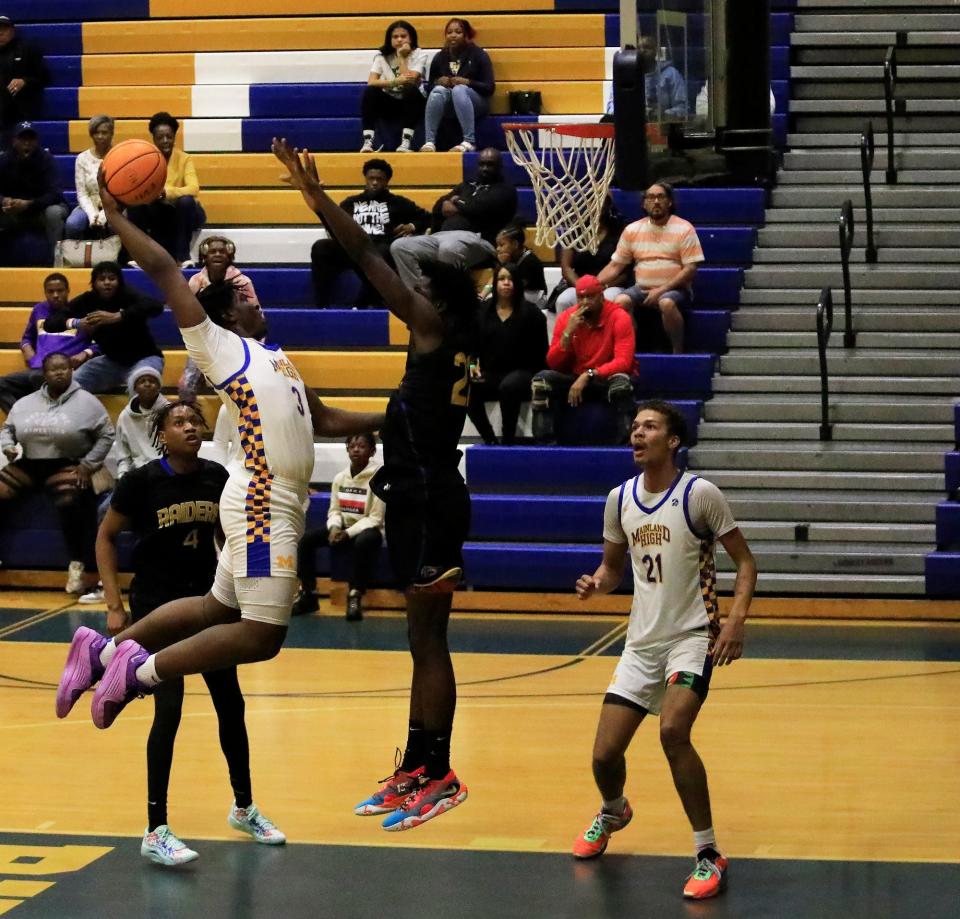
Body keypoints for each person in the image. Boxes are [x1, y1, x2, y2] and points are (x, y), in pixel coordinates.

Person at [55, 166, 383, 731]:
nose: (258, 302)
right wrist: (115, 215)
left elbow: (324, 417)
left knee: (217, 610)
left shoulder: (278, 357)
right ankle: (137, 675)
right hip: (262, 497)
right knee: (261, 636)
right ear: (229, 314)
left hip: (271, 498)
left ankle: (103, 654)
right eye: (249, 300)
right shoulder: (221, 347)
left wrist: (393, 416)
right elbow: (160, 267)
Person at [276, 138, 476, 831]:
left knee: (431, 637)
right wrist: (279, 385)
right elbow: (347, 417)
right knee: (419, 640)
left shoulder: (432, 326)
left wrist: (317, 199)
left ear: (433, 299)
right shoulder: (434, 355)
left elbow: (367, 257)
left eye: (419, 284)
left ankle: (442, 770)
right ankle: (418, 764)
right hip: (418, 498)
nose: (409, 289)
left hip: (433, 501)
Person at [571, 400, 756, 901]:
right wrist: (596, 582)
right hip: (641, 643)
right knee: (604, 755)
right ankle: (614, 810)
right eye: (634, 428)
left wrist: (734, 622)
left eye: (649, 427)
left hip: (692, 638)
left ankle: (708, 852)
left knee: (673, 731)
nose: (637, 434)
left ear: (673, 441)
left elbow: (745, 564)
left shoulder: (700, 495)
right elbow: (613, 570)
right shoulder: (620, 498)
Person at [97, 401, 285, 866]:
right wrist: (115, 606)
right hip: (157, 608)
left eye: (195, 421)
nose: (190, 428)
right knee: (169, 713)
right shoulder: (141, 481)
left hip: (207, 607)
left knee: (231, 706)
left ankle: (244, 807)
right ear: (161, 432)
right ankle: (155, 827)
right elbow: (105, 538)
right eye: (179, 422)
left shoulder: (218, 477)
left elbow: (232, 534)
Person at [0, 352, 113, 593]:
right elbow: (8, 429)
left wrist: (88, 464)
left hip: (68, 463)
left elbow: (106, 435)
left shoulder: (88, 402)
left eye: (65, 367)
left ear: (72, 371)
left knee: (69, 501)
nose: (60, 372)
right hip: (30, 462)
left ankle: (77, 565)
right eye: (54, 369)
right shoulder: (25, 402)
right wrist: (7, 446)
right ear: (44, 374)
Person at [597, 182, 704, 355]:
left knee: (666, 302)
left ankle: (678, 351)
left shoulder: (685, 228)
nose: (656, 201)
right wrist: (592, 284)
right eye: (651, 197)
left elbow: (690, 269)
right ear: (644, 203)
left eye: (660, 197)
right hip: (641, 288)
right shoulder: (632, 230)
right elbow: (615, 265)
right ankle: (629, 351)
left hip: (676, 288)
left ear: (669, 202)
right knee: (620, 302)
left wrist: (661, 290)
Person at [390, 147, 516, 290]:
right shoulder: (467, 185)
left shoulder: (505, 190)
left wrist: (456, 201)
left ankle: (445, 300)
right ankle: (420, 298)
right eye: (482, 164)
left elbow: (479, 208)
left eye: (490, 164)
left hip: (478, 241)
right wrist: (464, 205)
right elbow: (439, 206)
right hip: (441, 237)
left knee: (448, 249)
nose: (485, 168)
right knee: (400, 246)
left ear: (500, 166)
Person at [310, 158, 429, 308]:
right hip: (351, 248)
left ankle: (360, 305)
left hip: (378, 251)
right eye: (371, 178)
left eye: (379, 179)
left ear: (387, 181)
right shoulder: (350, 202)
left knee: (384, 251)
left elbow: (428, 218)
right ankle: (321, 305)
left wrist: (411, 226)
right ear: (365, 179)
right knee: (321, 247)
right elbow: (334, 223)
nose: (374, 183)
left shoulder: (398, 203)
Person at [531, 275, 636, 445]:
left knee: (621, 386)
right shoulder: (567, 318)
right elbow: (553, 364)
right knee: (541, 381)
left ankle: (626, 446)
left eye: (590, 297)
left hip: (606, 378)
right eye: (581, 297)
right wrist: (567, 333)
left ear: (601, 297)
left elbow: (624, 362)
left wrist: (589, 374)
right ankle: (545, 446)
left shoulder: (619, 316)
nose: (585, 301)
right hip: (576, 377)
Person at [293, 433, 385, 621]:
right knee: (306, 540)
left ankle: (355, 595)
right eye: (352, 446)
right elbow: (334, 510)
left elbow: (375, 519)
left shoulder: (379, 479)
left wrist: (348, 533)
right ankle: (309, 594)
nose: (356, 449)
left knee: (363, 541)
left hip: (370, 531)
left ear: (372, 451)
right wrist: (334, 528)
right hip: (343, 527)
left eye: (361, 446)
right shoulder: (340, 478)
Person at [42, 261, 165, 394]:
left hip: (145, 357)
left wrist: (118, 316)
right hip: (112, 361)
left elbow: (156, 306)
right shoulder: (87, 300)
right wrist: (76, 323)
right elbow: (49, 323)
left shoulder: (128, 295)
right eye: (101, 279)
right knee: (70, 386)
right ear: (94, 283)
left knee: (143, 385)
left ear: (119, 281)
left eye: (112, 279)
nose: (107, 283)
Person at [467, 263, 547, 445]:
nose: (506, 283)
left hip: (525, 372)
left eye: (510, 279)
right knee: (467, 388)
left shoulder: (532, 313)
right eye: (502, 279)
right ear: (495, 283)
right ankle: (490, 440)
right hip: (492, 373)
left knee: (509, 386)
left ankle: (508, 440)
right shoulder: (482, 312)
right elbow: (472, 347)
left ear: (517, 283)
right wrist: (472, 367)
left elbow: (542, 353)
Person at [0, 273, 99, 413]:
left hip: (64, 372)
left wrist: (85, 353)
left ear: (68, 291)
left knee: (36, 378)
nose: (56, 295)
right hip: (38, 368)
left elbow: (100, 344)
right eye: (51, 291)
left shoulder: (81, 311)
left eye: (60, 291)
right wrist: (28, 350)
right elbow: (27, 338)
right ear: (45, 292)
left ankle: (43, 421)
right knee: (2, 384)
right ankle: (21, 420)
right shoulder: (39, 310)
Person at [180, 235, 259, 399]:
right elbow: (187, 315)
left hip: (236, 342)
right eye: (213, 251)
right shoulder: (195, 281)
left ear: (229, 256)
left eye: (222, 251)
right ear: (204, 257)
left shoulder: (243, 282)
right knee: (186, 385)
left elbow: (255, 315)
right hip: (204, 341)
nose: (217, 254)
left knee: (243, 387)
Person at [127, 112, 206, 267]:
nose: (165, 141)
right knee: (134, 205)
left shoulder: (185, 158)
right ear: (153, 138)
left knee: (186, 201)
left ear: (174, 137)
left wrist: (167, 192)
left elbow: (193, 188)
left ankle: (182, 257)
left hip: (183, 211)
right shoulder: (145, 160)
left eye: (169, 137)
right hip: (159, 211)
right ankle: (140, 256)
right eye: (160, 137)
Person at [420, 18, 494, 153]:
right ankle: (429, 142)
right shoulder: (440, 57)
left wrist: (468, 82)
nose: (453, 35)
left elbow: (489, 88)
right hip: (450, 105)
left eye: (458, 32)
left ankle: (469, 141)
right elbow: (428, 88)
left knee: (459, 90)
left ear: (466, 35)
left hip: (477, 103)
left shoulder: (479, 55)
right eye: (449, 32)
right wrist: (438, 82)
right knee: (438, 91)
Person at [0, 122, 67, 264]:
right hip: (12, 212)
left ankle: (57, 261)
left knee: (54, 213)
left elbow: (55, 194)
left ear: (36, 142)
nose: (27, 143)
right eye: (22, 139)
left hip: (39, 211)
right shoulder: (3, 160)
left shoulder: (46, 160)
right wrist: (3, 200)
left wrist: (29, 204)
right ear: (14, 141)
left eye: (30, 139)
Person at [361, 20, 430, 154]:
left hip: (414, 102)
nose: (399, 40)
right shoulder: (381, 57)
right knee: (370, 92)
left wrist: (400, 57)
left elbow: (409, 80)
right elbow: (371, 82)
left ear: (411, 38)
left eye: (403, 36)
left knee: (410, 90)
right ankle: (368, 142)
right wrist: (395, 82)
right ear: (389, 39)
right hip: (391, 102)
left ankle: (406, 142)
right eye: (395, 37)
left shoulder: (420, 54)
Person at [555, 196, 626, 312]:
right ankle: (566, 330)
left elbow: (625, 272)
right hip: (579, 284)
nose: (595, 207)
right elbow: (566, 268)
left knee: (608, 297)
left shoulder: (619, 231)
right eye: (591, 203)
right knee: (564, 300)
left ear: (608, 207)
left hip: (610, 285)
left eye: (600, 203)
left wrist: (603, 287)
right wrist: (583, 288)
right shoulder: (575, 232)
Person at [64, 115, 114, 240]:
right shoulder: (82, 158)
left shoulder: (119, 157)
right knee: (72, 225)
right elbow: (82, 193)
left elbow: (120, 194)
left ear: (112, 134)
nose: (100, 136)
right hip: (88, 205)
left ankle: (119, 259)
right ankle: (76, 258)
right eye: (96, 132)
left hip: (114, 206)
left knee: (116, 225)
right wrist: (92, 215)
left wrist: (103, 216)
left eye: (104, 132)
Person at [114, 367, 169, 479]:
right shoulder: (125, 416)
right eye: (142, 381)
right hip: (138, 476)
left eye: (152, 381)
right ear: (135, 388)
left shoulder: (171, 412)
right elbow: (123, 456)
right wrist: (122, 475)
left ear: (159, 387)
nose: (147, 384)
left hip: (167, 473)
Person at [0, 16, 47, 134]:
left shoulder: (27, 49)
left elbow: (44, 76)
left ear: (12, 31)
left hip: (19, 112)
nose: (0, 32)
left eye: (4, 29)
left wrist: (25, 81)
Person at [491, 224, 546, 305]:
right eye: (497, 245)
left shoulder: (530, 261)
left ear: (515, 244)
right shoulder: (509, 258)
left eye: (501, 245)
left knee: (502, 297)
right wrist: (482, 295)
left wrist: (504, 264)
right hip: (521, 294)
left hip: (535, 297)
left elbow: (515, 285)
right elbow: (495, 280)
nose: (497, 249)